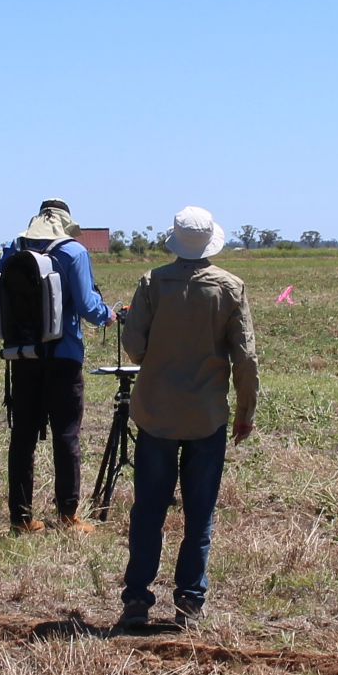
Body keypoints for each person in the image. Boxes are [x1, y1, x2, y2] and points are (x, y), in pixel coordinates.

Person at [115, 206, 258, 633]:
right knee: (199, 516)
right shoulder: (230, 287)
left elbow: (134, 348)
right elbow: (245, 358)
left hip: (156, 414)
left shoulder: (152, 282)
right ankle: (190, 603)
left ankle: (137, 599)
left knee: (148, 513)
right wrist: (246, 411)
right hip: (207, 416)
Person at [0, 200, 113, 534]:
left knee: (22, 437)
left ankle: (21, 519)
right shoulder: (73, 252)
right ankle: (68, 516)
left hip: (22, 355)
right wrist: (108, 313)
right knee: (66, 435)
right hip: (63, 355)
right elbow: (88, 307)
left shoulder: (14, 248)